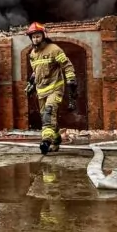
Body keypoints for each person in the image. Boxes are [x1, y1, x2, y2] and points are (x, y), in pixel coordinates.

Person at [24, 22, 78, 154]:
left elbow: (67, 65)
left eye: (38, 36)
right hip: (41, 91)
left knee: (49, 112)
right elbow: (35, 71)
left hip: (55, 88)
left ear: (43, 35)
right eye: (33, 37)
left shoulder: (54, 49)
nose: (35, 39)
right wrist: (31, 84)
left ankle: (46, 141)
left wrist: (71, 80)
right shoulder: (32, 54)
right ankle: (56, 140)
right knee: (47, 117)